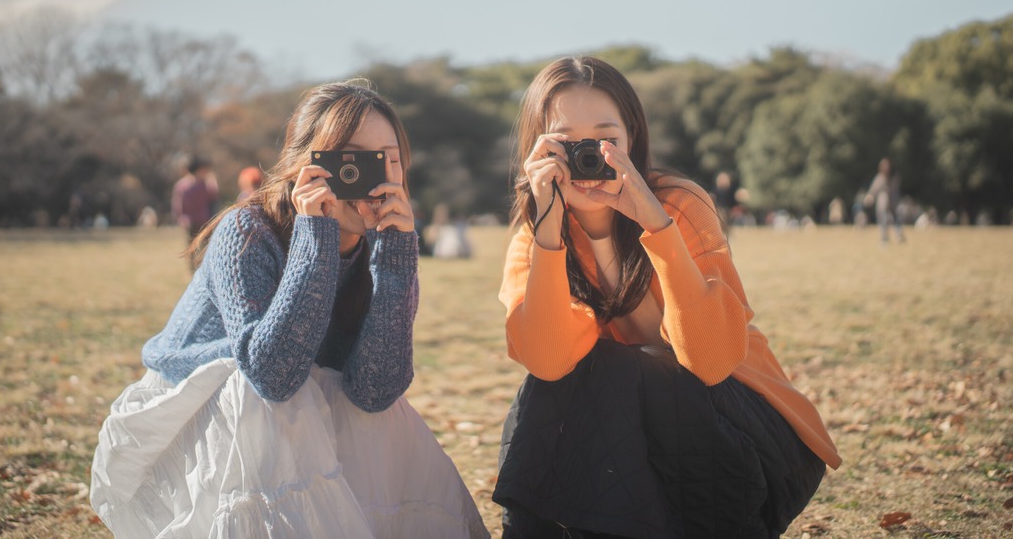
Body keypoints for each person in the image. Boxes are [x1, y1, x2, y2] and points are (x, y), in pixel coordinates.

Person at [91, 81, 487, 538]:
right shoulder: (248, 231)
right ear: (307, 165)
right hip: (196, 415)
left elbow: (375, 394)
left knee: (380, 415)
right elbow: (272, 377)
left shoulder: (384, 245)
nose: (372, 176)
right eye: (353, 160)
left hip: (297, 407)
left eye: (389, 160)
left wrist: (396, 265)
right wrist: (315, 235)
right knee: (269, 395)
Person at [493, 56, 841, 538]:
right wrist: (549, 231)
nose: (586, 158)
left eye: (605, 141)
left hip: (743, 438)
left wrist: (657, 226)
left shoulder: (679, 204)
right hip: (630, 452)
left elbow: (710, 362)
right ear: (537, 150)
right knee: (548, 390)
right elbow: (548, 363)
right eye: (566, 144)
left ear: (631, 139)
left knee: (640, 370)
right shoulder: (534, 241)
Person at [170, 156, 219, 242]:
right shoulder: (200, 184)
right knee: (198, 245)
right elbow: (214, 196)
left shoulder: (204, 184)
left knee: (198, 245)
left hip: (198, 220)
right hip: (196, 220)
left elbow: (177, 205)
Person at [865, 157, 905, 244]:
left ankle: (899, 236)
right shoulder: (879, 178)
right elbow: (873, 190)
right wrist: (869, 196)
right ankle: (884, 238)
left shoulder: (894, 177)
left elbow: (896, 190)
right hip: (883, 203)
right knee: (883, 220)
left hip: (894, 203)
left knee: (896, 219)